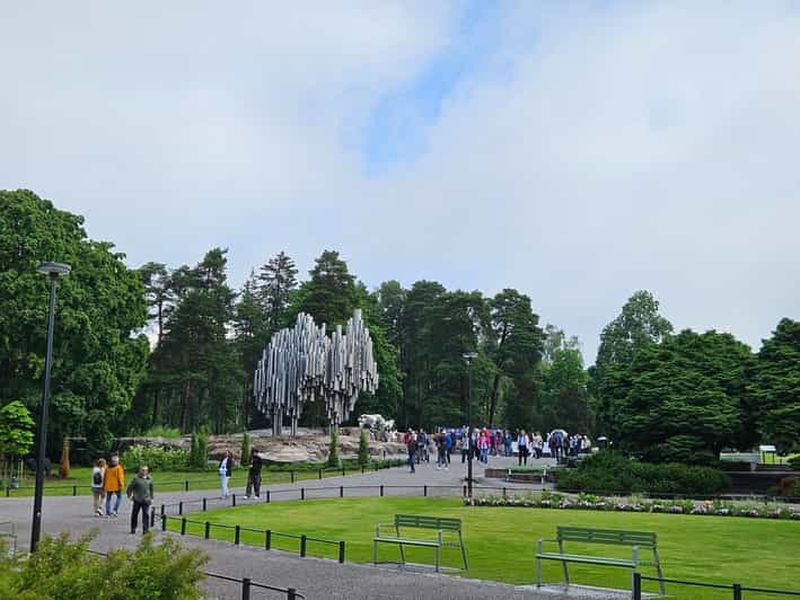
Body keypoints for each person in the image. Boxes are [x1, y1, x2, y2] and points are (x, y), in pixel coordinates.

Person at [126, 465, 154, 534]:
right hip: (137, 499)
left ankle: (145, 529)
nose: (144, 472)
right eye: (143, 470)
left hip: (146, 499)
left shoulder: (150, 479)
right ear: (140, 471)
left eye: (146, 470)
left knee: (146, 514)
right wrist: (130, 495)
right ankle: (133, 528)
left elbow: (151, 489)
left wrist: (152, 498)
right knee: (135, 514)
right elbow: (130, 487)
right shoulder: (136, 479)